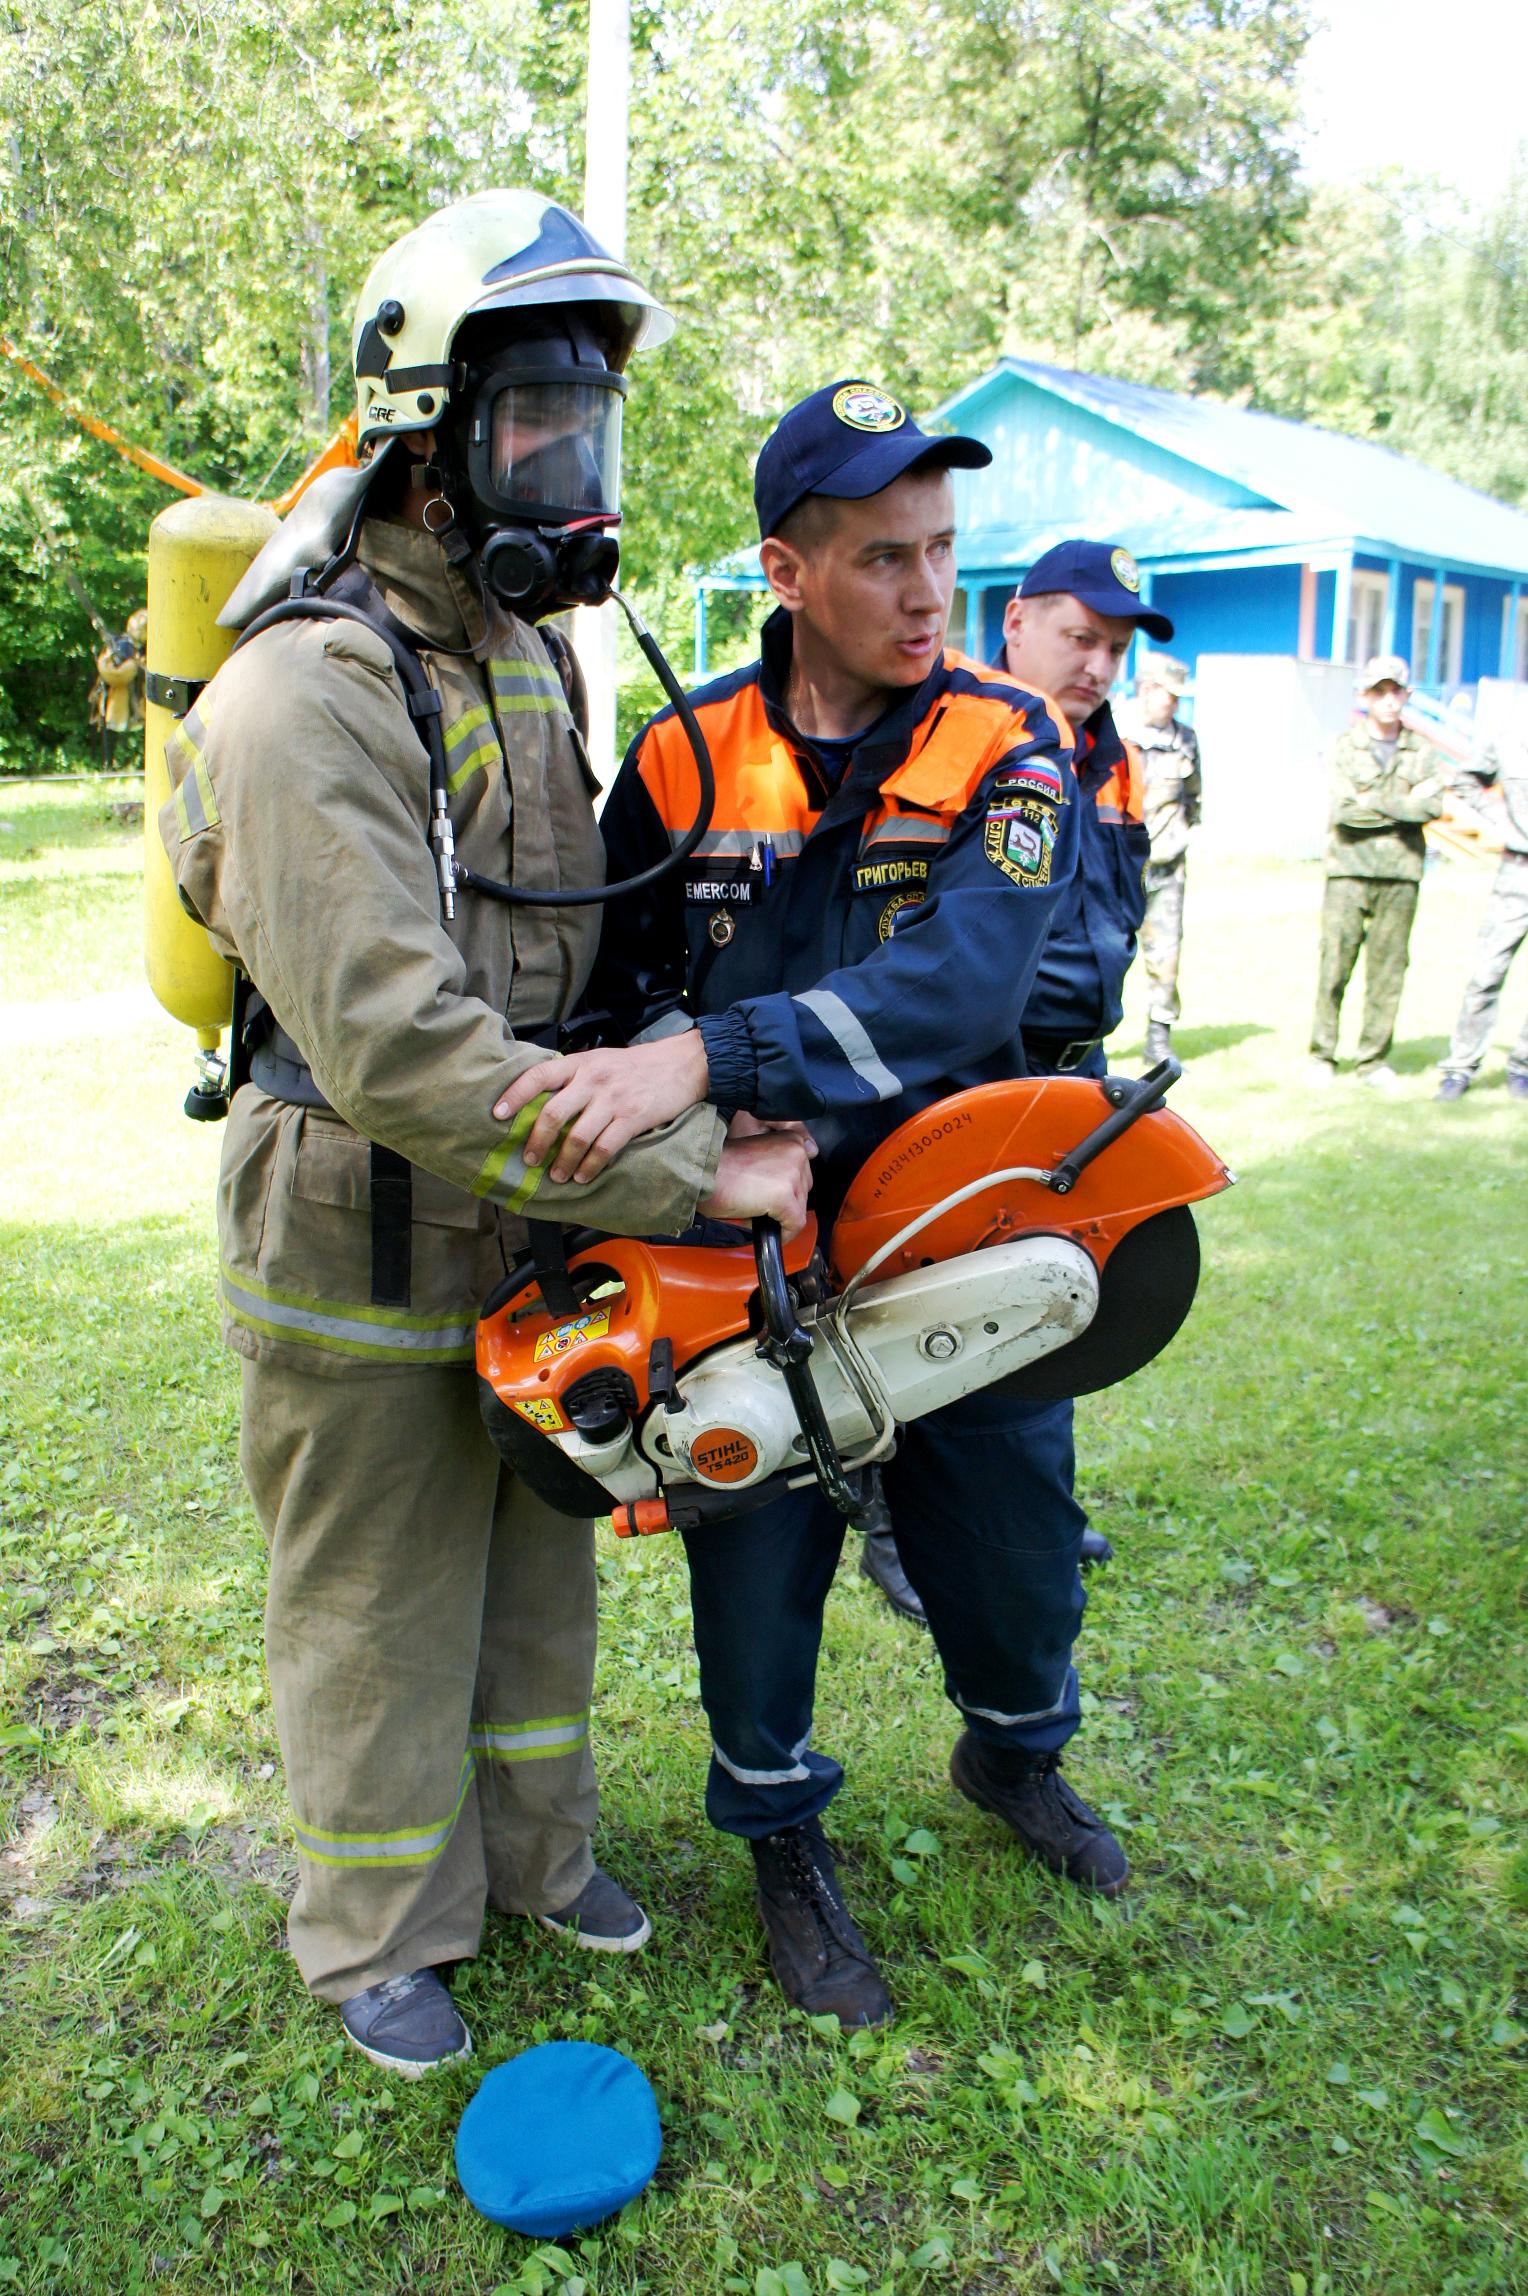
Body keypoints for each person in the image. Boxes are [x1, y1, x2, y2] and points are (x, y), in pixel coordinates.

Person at [157, 191, 810, 2077]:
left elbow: (568, 941)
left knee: (543, 1538)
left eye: (589, 426)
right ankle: (376, 1925)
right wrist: (694, 1179)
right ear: (427, 435)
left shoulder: (528, 652)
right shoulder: (308, 683)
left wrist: (698, 1065)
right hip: (358, 1210)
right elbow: (399, 1041)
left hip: (531, 1206)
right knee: (375, 1589)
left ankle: (538, 1858)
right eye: (537, 422)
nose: (571, 468)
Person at [495, 383, 1133, 2031]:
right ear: (785, 569)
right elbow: (606, 1000)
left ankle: (1013, 1755)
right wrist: (670, 1100)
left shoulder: (1009, 737)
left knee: (1010, 1555)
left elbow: (965, 986)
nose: (926, 595)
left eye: (940, 554)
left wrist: (709, 1048)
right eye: (878, 561)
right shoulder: (683, 751)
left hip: (956, 1222)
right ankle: (780, 1834)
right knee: (753, 1561)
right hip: (745, 1240)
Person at [860, 539, 1174, 1612]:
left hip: (1072, 1074)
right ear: (1017, 624)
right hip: (964, 1075)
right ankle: (898, 1516)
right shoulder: (955, 735)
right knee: (930, 1303)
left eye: (1114, 646)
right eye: (1080, 636)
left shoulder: (1113, 756)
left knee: (1060, 1296)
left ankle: (1037, 1504)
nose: (1097, 664)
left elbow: (1116, 912)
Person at [1308, 655, 1445, 1094]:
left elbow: (1433, 806)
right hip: (1349, 870)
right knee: (1335, 965)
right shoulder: (1345, 746)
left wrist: (1374, 800)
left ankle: (1372, 1059)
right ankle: (1322, 1054)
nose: (1388, 701)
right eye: (1379, 692)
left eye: (1396, 691)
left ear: (1406, 695)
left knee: (1389, 971)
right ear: (1365, 697)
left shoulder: (1421, 750)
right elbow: (1346, 812)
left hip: (1401, 873)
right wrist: (1402, 803)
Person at [1435, 734, 1528, 1102]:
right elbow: (1466, 778)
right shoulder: (1512, 737)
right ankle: (1460, 1068)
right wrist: (1501, 819)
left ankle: (1522, 1069)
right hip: (1517, 871)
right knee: (1486, 974)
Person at [1126, 650, 1201, 1066]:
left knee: (1167, 953)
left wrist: (1180, 837)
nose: (1173, 703)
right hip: (1119, 867)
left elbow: (1195, 797)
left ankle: (1158, 1039)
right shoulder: (1116, 732)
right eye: (1167, 694)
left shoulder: (1185, 739)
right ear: (1147, 689)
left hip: (1167, 866)